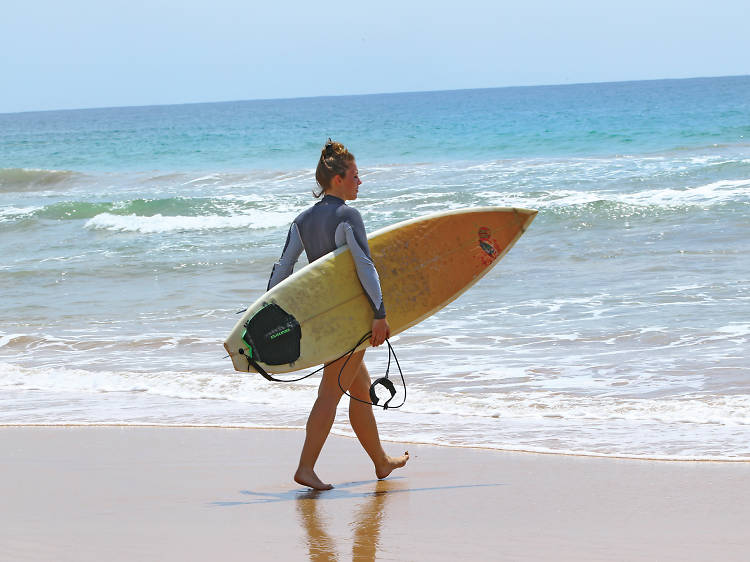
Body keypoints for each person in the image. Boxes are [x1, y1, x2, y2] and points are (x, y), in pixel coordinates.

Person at [267, 139, 409, 490]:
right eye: (355, 176)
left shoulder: (302, 220)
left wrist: (264, 312)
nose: (360, 182)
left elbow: (283, 268)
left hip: (323, 318)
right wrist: (379, 313)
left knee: (360, 389)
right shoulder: (348, 216)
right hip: (349, 322)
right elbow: (365, 265)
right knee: (331, 392)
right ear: (338, 180)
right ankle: (306, 467)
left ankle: (381, 461)